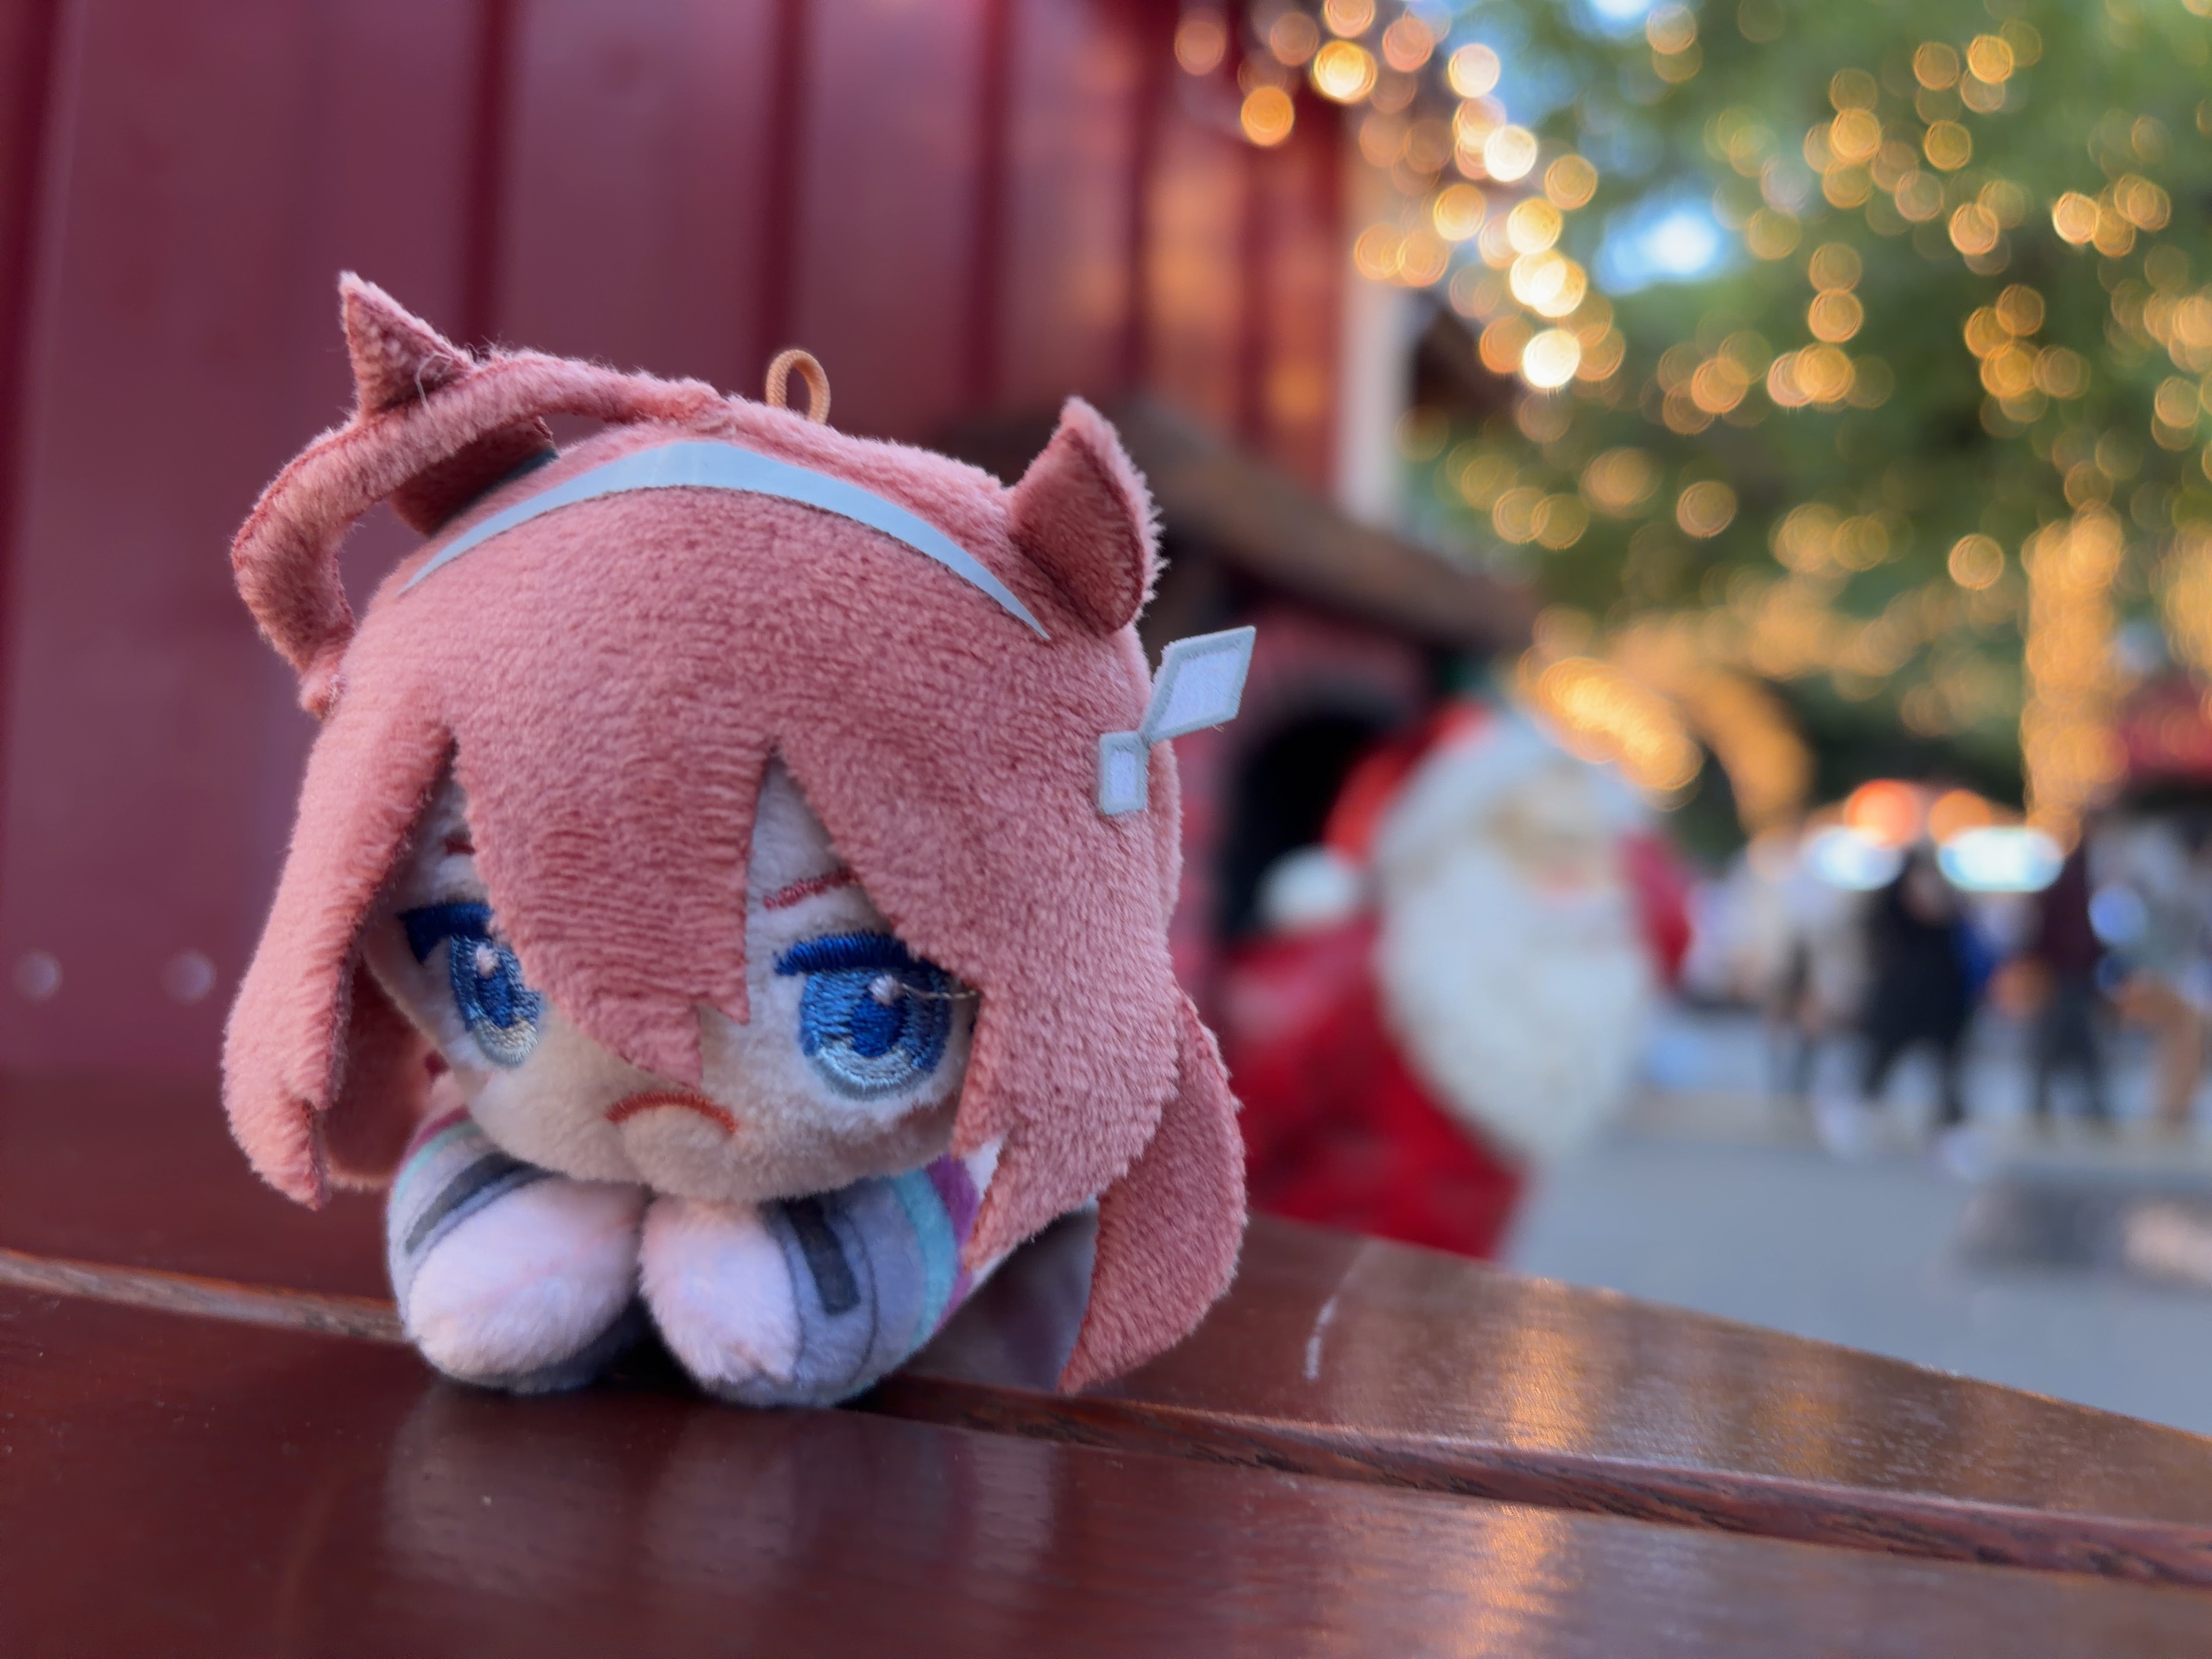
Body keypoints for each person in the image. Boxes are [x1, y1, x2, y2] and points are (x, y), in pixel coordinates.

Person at [1860, 846, 1982, 1128]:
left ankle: (1951, 1123)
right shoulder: (1892, 910)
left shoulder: (1951, 911)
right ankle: (1863, 1109)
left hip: (1941, 1004)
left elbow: (1962, 953)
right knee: (1882, 1060)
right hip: (1901, 1001)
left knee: (1946, 1068)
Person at [2028, 839, 2108, 1127]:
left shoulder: (2071, 891)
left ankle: (2088, 1107)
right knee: (2066, 1046)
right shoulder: (2071, 892)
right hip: (2066, 978)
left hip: (2071, 977)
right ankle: (2090, 1108)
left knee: (2070, 1048)